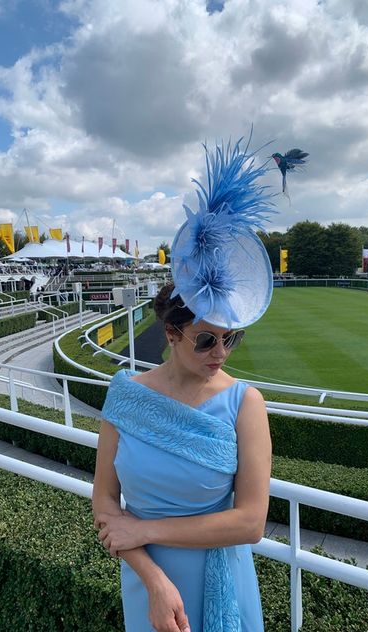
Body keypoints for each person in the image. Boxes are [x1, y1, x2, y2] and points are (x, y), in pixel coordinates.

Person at [93, 136, 275, 632]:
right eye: (205, 341)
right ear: (171, 334)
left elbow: (250, 523)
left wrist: (143, 529)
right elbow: (105, 503)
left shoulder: (245, 403)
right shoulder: (125, 393)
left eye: (231, 338)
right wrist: (153, 580)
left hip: (220, 583)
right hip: (146, 582)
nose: (221, 354)